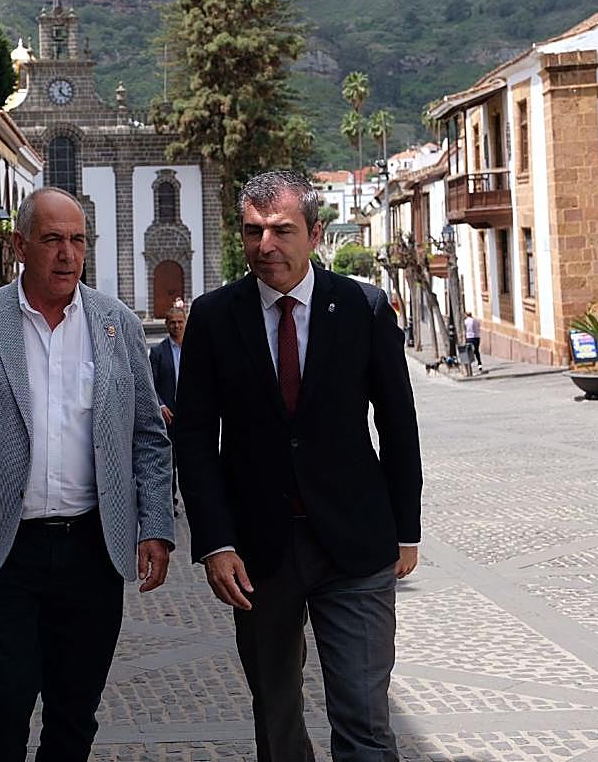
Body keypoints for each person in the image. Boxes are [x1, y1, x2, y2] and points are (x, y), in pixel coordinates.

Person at [0, 187, 174, 762]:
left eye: (77, 240)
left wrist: (156, 525)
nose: (67, 253)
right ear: (20, 245)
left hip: (93, 549)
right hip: (3, 550)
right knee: (4, 698)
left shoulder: (117, 324)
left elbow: (148, 437)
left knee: (75, 707)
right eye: (52, 239)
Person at [174, 171, 422, 762]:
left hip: (355, 543)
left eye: (282, 230)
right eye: (253, 231)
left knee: (365, 722)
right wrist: (215, 542)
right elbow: (194, 438)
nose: (266, 245)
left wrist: (406, 529)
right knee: (277, 718)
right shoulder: (214, 317)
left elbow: (398, 423)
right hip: (257, 552)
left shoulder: (362, 307)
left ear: (314, 233)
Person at [150, 305, 186, 513]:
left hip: (191, 415)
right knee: (168, 462)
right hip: (168, 416)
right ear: (166, 325)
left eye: (180, 322)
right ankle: (170, 501)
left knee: (192, 461)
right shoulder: (158, 352)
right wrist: (160, 405)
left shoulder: (195, 348)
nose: (176, 326)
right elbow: (150, 385)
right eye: (172, 322)